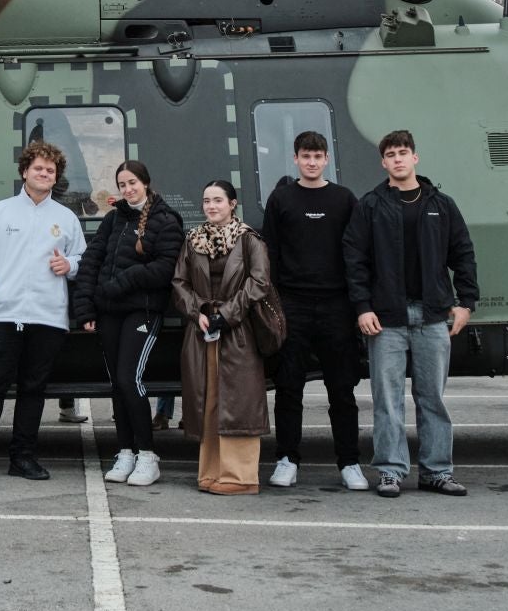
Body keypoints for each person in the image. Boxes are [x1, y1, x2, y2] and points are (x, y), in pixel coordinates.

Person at [345, 129, 479, 498]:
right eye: (391, 154)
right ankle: (390, 471)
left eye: (403, 152)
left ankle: (437, 471)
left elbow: (463, 254)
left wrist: (466, 303)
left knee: (431, 397)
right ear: (383, 162)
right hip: (386, 319)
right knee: (387, 399)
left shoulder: (442, 204)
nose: (398, 159)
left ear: (415, 158)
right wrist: (362, 308)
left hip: (433, 316)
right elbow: (354, 261)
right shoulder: (370, 206)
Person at [0, 140, 86, 481]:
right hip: (3, 315)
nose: (44, 173)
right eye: (38, 168)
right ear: (25, 172)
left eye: (50, 170)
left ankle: (23, 458)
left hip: (47, 317)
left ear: (56, 178)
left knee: (33, 390)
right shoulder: (0, 212)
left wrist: (68, 263)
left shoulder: (66, 218)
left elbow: (84, 261)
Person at [262, 130, 366, 491]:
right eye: (305, 156)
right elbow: (270, 253)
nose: (311, 161)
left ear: (326, 160)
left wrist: (357, 304)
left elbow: (356, 254)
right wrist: (275, 303)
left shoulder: (344, 199)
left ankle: (350, 462)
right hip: (293, 305)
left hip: (337, 305)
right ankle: (287, 460)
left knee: (342, 390)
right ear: (295, 159)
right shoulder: (281, 199)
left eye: (317, 156)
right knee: (289, 387)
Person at [71, 160, 185, 486]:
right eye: (122, 184)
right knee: (116, 385)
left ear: (145, 183)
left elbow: (165, 268)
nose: (127, 189)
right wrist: (86, 310)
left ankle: (148, 456)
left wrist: (124, 281)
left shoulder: (165, 220)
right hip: (108, 313)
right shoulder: (113, 219)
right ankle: (125, 452)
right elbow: (92, 261)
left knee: (129, 378)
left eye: (132, 182)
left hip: (142, 312)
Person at [171, 179, 272, 495]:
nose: (211, 206)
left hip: (237, 331)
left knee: (238, 403)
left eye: (217, 200)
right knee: (209, 402)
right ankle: (211, 472)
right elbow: (179, 282)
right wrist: (197, 311)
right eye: (206, 201)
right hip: (202, 330)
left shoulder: (250, 240)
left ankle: (241, 477)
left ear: (233, 204)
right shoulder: (192, 241)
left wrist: (225, 315)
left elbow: (259, 283)